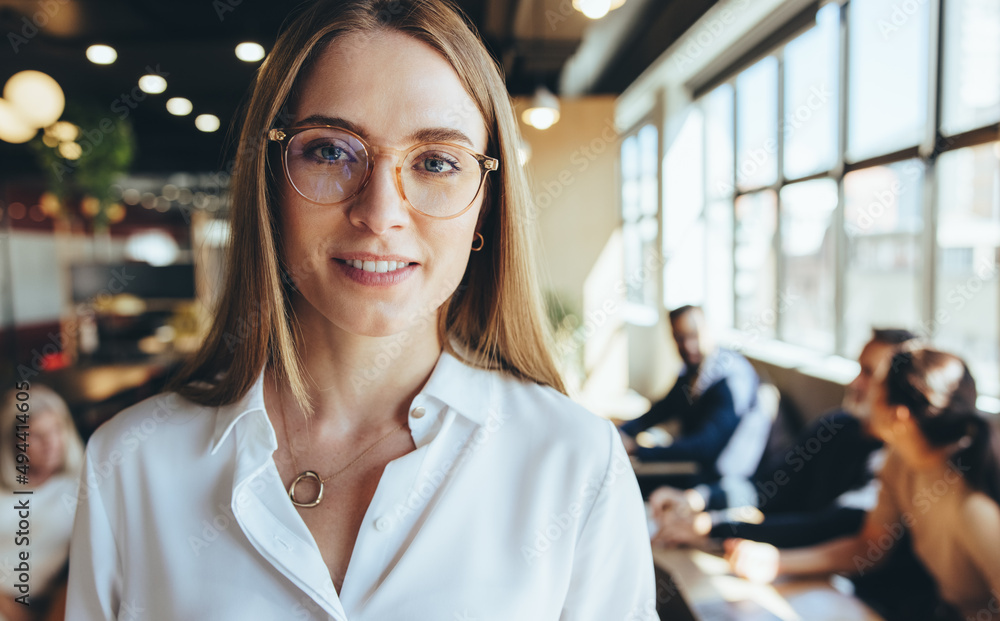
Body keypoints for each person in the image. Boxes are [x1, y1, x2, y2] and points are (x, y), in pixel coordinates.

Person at [65, 2, 656, 620]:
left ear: (486, 205)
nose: (380, 213)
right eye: (329, 152)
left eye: (435, 162)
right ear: (271, 181)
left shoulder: (575, 462)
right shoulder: (131, 465)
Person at [727, 347, 1000, 621]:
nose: (864, 391)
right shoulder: (899, 460)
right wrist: (778, 562)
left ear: (899, 417)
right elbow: (869, 546)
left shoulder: (974, 508)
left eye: (876, 388)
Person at [648, 328, 916, 549]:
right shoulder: (835, 426)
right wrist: (699, 498)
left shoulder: (894, 462)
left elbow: (825, 529)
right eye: (858, 369)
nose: (854, 383)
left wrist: (714, 530)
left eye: (870, 373)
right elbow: (768, 487)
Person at [618, 305, 763, 479]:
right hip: (698, 468)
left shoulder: (730, 381)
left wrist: (637, 449)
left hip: (726, 482)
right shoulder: (692, 371)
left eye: (694, 335)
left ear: (708, 331)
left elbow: (705, 447)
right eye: (679, 338)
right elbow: (663, 409)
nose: (688, 346)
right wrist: (621, 432)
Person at [0, 384, 84, 621]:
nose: (51, 443)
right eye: (35, 434)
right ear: (13, 440)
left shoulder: (80, 490)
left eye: (57, 429)